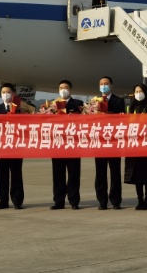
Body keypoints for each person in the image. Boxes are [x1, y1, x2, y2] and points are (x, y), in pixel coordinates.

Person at [50, 80, 84, 210]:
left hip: (73, 144)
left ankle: (74, 201)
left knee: (74, 174)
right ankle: (59, 201)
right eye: (61, 88)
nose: (63, 90)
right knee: (58, 175)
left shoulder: (78, 104)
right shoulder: (53, 105)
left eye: (66, 87)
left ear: (70, 90)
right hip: (57, 144)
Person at [124, 83, 147, 210]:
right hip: (134, 146)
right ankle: (140, 200)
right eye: (136, 91)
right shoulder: (130, 109)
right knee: (137, 175)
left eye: (141, 91)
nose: (139, 94)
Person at [94, 76, 125, 210]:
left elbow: (121, 118)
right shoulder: (94, 101)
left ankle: (116, 201)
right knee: (100, 173)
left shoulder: (119, 100)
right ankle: (102, 201)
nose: (104, 86)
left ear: (111, 86)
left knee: (115, 173)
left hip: (113, 141)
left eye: (106, 84)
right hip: (100, 142)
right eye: (101, 84)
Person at [0, 83, 24, 210]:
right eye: (4, 92)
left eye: (8, 92)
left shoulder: (21, 108)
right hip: (2, 147)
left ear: (13, 94)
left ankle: (17, 200)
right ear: (0, 94)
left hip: (16, 146)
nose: (6, 94)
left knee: (16, 174)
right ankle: (2, 200)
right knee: (2, 174)